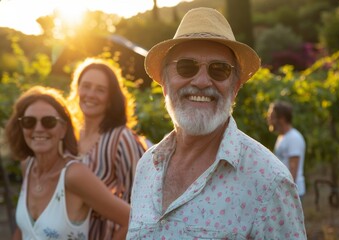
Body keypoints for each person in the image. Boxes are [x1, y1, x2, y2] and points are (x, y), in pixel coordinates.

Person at [127, 7, 306, 239]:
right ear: (164, 83)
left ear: (235, 88)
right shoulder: (146, 167)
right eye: (186, 67)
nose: (201, 81)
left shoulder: (269, 183)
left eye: (219, 70)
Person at [5, 86, 130, 240]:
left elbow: (131, 219)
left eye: (49, 122)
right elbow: (25, 229)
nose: (38, 129)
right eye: (29, 121)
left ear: (63, 129)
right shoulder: (28, 166)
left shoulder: (74, 175)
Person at [67, 58, 148, 240]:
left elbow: (142, 204)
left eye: (100, 90)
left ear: (111, 99)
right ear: (77, 89)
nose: (91, 94)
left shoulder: (121, 138)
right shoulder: (70, 136)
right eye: (86, 86)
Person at [267, 100, 306, 198]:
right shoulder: (282, 137)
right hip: (284, 191)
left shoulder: (293, 138)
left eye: (272, 117)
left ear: (282, 118)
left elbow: (293, 169)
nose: (269, 120)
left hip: (292, 193)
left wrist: (286, 194)